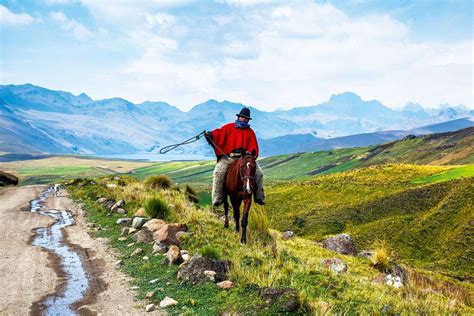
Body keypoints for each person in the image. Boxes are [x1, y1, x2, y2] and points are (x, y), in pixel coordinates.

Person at [205, 107, 265, 206]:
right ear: (239, 117)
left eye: (246, 118)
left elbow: (253, 147)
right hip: (229, 158)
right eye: (242, 117)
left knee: (259, 174)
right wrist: (210, 134)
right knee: (218, 172)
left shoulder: (250, 132)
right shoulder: (228, 127)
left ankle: (259, 197)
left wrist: (248, 155)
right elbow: (218, 133)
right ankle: (217, 198)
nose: (244, 119)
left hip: (245, 159)